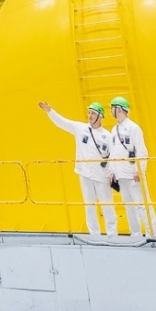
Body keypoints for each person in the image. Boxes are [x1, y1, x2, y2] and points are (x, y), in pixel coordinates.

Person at [38, 100, 117, 237]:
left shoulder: (108, 136)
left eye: (93, 113)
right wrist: (50, 111)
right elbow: (63, 122)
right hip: (85, 173)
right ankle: (94, 235)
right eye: (89, 113)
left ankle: (112, 234)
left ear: (100, 116)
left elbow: (114, 156)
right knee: (89, 205)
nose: (90, 115)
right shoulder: (81, 128)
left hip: (102, 175)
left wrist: (113, 173)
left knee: (107, 205)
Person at [107, 96, 156, 239]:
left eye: (112, 108)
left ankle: (153, 234)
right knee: (129, 206)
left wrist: (139, 170)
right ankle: (135, 234)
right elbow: (113, 151)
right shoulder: (114, 129)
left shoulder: (134, 128)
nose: (110, 111)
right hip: (121, 174)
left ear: (119, 109)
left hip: (133, 174)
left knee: (142, 205)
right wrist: (112, 171)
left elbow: (142, 150)